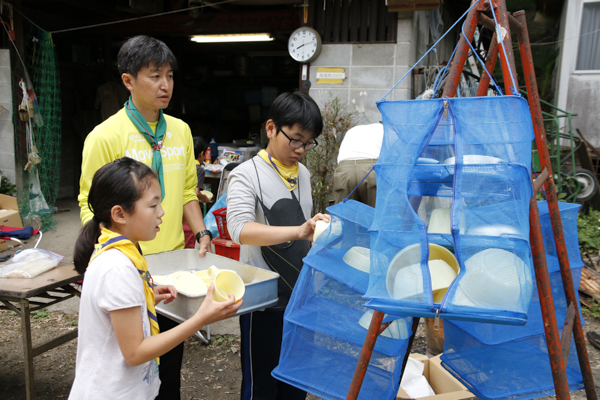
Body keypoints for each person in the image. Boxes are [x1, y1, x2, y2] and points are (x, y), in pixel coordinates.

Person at [77, 35, 213, 399]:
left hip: (171, 267)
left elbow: (186, 192)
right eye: (154, 76)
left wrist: (200, 232)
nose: (165, 85)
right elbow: (89, 204)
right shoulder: (104, 136)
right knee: (127, 358)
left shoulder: (181, 132)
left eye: (169, 75)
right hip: (128, 264)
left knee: (168, 368)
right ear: (128, 80)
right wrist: (104, 258)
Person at [69, 158, 242, 400]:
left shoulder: (119, 252)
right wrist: (201, 318)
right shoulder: (117, 268)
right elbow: (136, 352)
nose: (162, 212)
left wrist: (145, 299)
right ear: (119, 214)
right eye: (153, 205)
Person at [226, 92, 330, 400]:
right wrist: (299, 231)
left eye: (308, 143)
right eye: (295, 139)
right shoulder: (246, 174)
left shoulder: (304, 174)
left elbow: (304, 230)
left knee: (296, 382)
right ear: (271, 128)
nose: (301, 150)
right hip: (263, 301)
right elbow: (239, 229)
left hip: (300, 298)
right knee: (262, 386)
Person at [332, 122, 384, 208]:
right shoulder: (383, 129)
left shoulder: (352, 130)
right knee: (375, 216)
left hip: (344, 170)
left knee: (342, 217)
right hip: (371, 170)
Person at [183, 136, 211, 248]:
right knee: (189, 236)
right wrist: (205, 199)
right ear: (202, 154)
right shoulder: (198, 169)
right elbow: (195, 192)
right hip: (189, 209)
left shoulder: (183, 166)